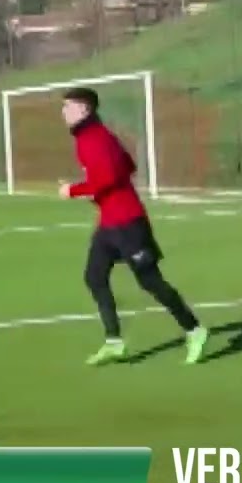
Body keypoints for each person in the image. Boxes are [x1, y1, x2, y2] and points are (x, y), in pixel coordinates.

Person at [57, 87, 209, 366]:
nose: (63, 112)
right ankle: (114, 341)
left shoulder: (95, 138)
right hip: (109, 224)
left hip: (129, 223)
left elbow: (110, 175)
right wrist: (98, 192)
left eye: (68, 106)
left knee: (150, 281)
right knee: (94, 276)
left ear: (85, 110)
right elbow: (127, 165)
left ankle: (194, 329)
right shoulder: (90, 137)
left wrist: (75, 190)